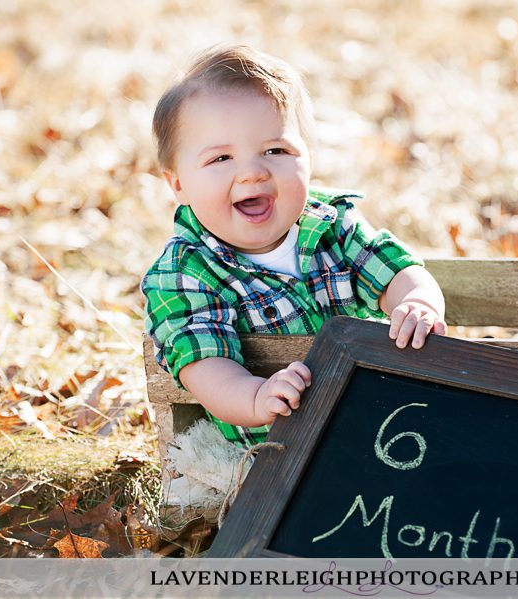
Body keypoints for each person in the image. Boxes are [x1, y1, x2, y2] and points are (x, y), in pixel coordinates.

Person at [141, 44, 446, 447]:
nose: (252, 171)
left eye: (275, 150)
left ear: (308, 158)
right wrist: (255, 396)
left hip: (378, 420)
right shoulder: (185, 274)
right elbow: (205, 364)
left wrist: (417, 303)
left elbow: (395, 273)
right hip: (281, 448)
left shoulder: (333, 226)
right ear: (178, 183)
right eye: (221, 159)